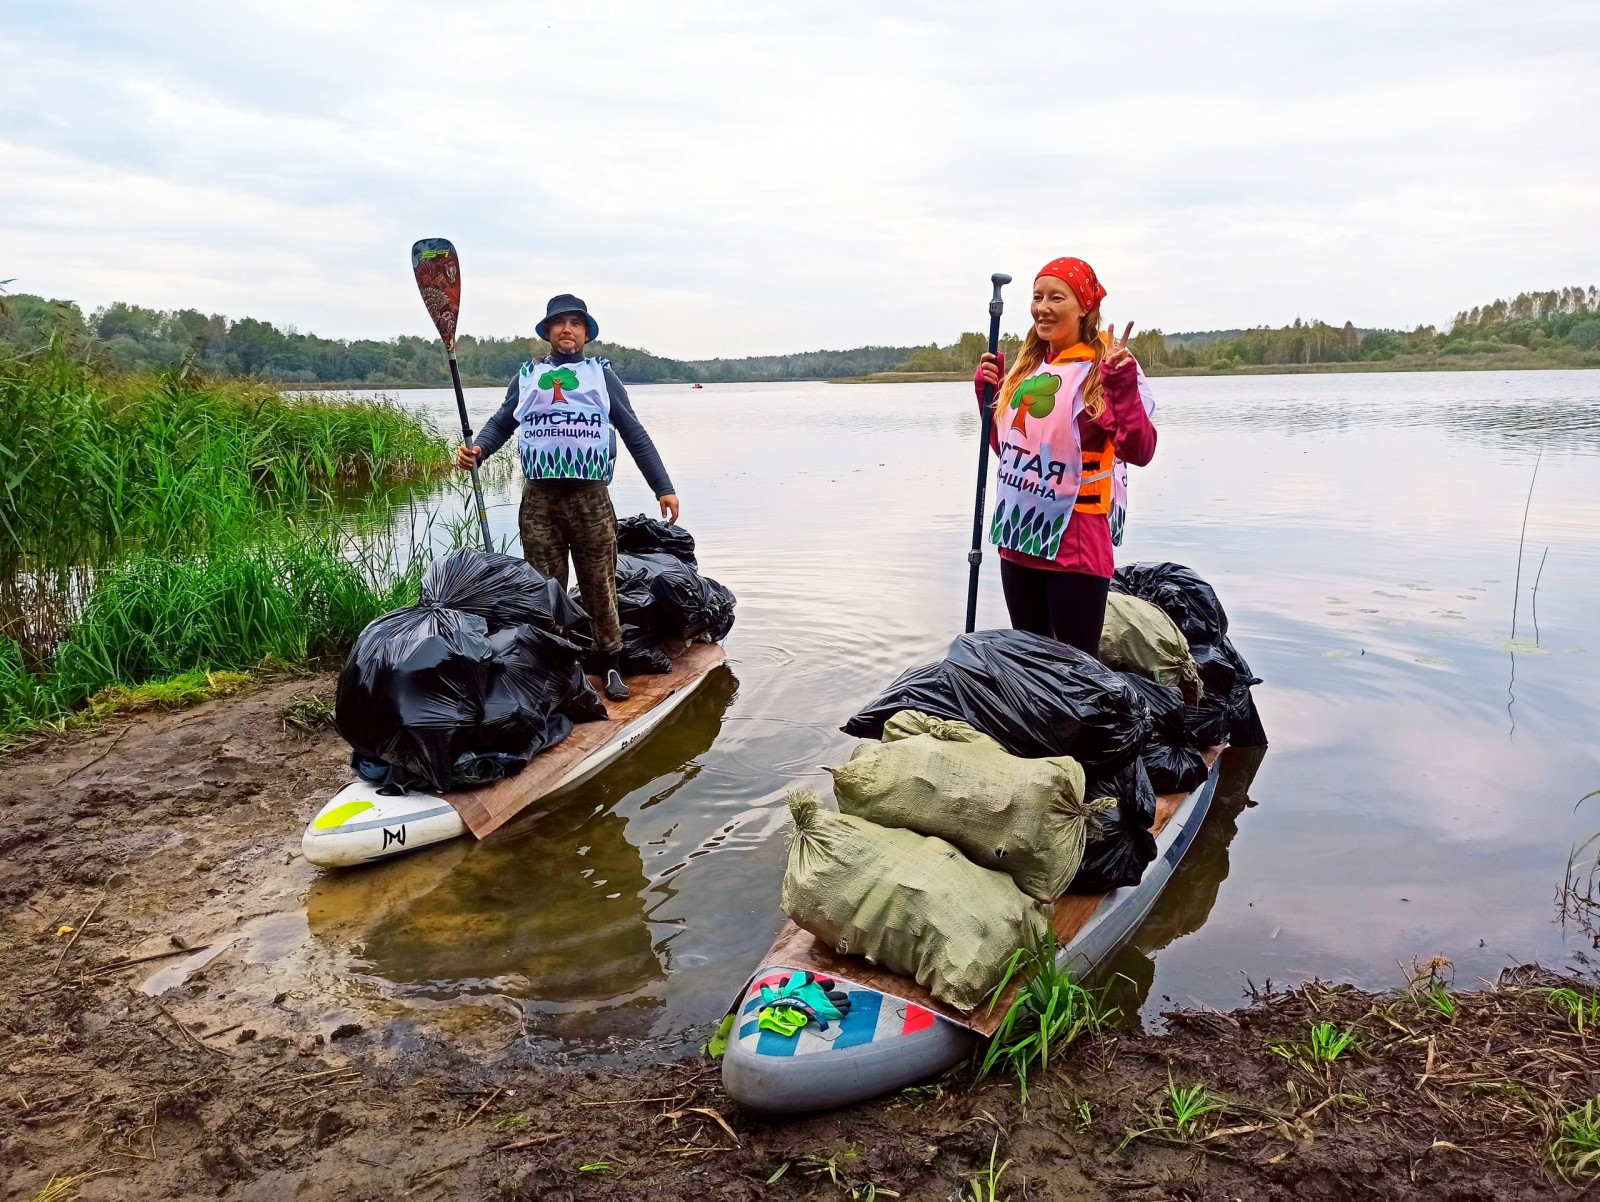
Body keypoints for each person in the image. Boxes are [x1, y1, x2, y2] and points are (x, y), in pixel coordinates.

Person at [456, 294, 680, 704]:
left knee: (600, 584)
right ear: (547, 332)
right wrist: (479, 451)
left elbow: (633, 432)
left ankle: (610, 660)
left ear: (586, 333)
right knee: (546, 590)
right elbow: (502, 423)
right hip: (540, 500)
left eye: (575, 323)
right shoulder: (526, 376)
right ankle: (554, 667)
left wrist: (662, 486)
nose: (567, 330)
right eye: (559, 322)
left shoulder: (601, 376)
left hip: (590, 499)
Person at [974, 257, 1156, 657]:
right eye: (1037, 297)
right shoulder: (1029, 368)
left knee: (1077, 677)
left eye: (1057, 297)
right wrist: (989, 398)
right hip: (1021, 538)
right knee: (1035, 671)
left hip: (1076, 547)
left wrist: (1121, 386)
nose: (1043, 307)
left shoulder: (1102, 368)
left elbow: (1139, 451)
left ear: (1084, 308)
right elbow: (1008, 454)